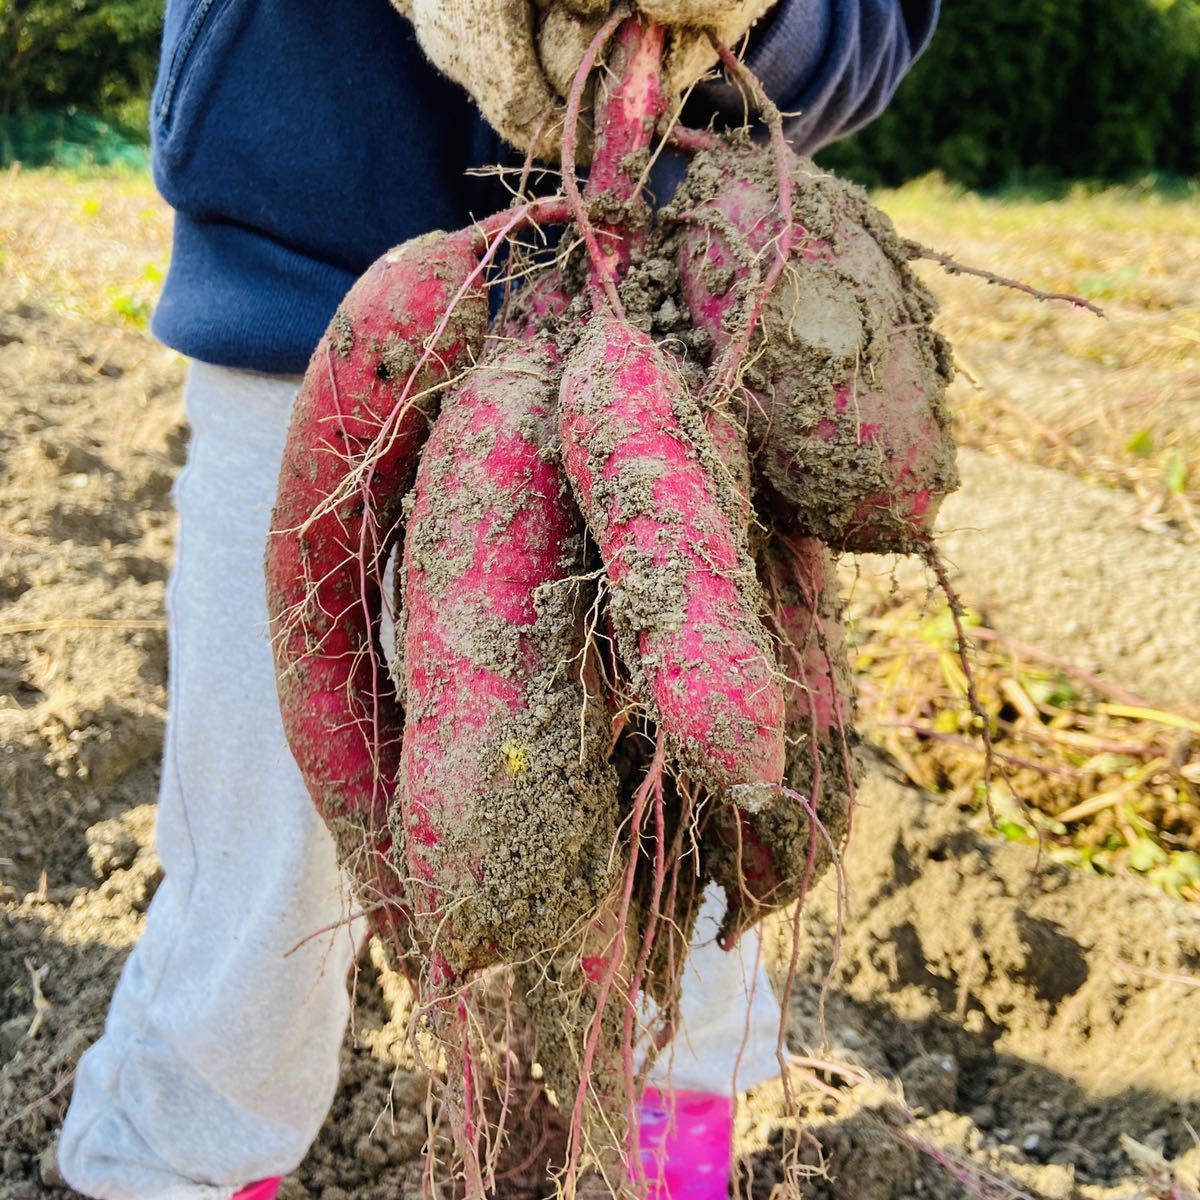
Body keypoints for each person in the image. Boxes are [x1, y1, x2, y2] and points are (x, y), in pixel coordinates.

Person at [56, 1, 938, 1197]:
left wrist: (766, 18)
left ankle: (665, 1145)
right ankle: (177, 1159)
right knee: (259, 849)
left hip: (695, 304)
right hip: (313, 283)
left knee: (719, 774)